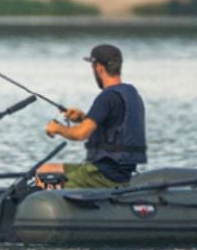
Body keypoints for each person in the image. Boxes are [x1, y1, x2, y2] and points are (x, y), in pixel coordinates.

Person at [38, 44, 147, 188]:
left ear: (99, 68)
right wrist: (83, 118)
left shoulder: (107, 97)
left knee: (45, 180)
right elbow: (114, 130)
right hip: (119, 173)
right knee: (46, 169)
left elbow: (81, 134)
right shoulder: (131, 94)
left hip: (102, 175)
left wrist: (57, 128)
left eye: (92, 68)